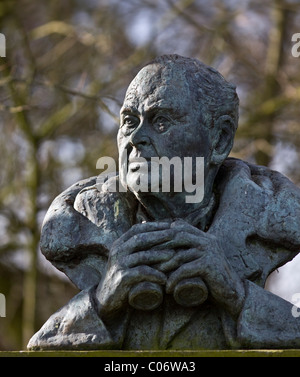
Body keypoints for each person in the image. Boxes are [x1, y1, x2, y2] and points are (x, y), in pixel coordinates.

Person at [28, 55, 300, 350]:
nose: (135, 137)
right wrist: (101, 301)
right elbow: (39, 347)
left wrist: (236, 294)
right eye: (129, 121)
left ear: (219, 140)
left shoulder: (272, 219)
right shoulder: (79, 226)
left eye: (160, 122)